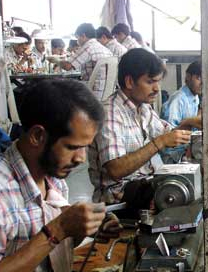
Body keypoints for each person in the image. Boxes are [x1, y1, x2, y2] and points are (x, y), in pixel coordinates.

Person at [0, 79, 121, 272]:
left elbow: (47, 252)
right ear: (38, 136)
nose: (81, 158)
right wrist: (58, 229)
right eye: (72, 147)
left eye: (85, 147)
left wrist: (82, 227)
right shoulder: (3, 192)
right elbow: (53, 235)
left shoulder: (52, 176)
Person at [88, 48, 203, 205]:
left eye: (158, 82)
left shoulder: (144, 108)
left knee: (198, 183)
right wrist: (159, 142)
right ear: (129, 82)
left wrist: (189, 123)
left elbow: (168, 134)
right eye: (150, 82)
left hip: (148, 183)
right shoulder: (110, 113)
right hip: (121, 199)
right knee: (187, 197)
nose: (156, 88)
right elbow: (116, 169)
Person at [52, 23, 112, 99]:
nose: (77, 41)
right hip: (106, 95)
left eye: (77, 38)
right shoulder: (105, 49)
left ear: (83, 36)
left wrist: (55, 60)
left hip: (92, 94)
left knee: (61, 91)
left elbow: (67, 66)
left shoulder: (88, 46)